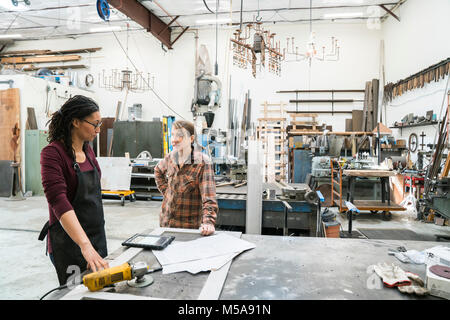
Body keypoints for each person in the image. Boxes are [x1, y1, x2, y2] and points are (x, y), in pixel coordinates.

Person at [38, 95, 109, 286]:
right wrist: (84, 245)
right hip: (70, 243)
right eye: (94, 124)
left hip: (97, 238)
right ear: (75, 122)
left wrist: (92, 244)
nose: (98, 129)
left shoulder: (88, 150)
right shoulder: (53, 154)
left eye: (99, 123)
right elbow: (58, 201)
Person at [154, 120, 218, 236]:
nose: (174, 139)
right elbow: (158, 170)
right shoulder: (170, 157)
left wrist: (208, 222)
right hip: (165, 223)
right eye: (173, 135)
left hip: (188, 228)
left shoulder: (203, 163)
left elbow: (209, 198)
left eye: (180, 135)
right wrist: (167, 192)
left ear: (191, 139)